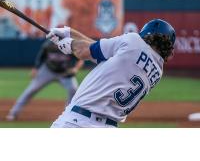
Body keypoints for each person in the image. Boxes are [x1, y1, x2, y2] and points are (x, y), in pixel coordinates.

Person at [46, 19, 176, 128]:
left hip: (77, 122)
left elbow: (83, 51)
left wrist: (68, 43)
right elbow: (99, 49)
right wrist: (70, 33)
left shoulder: (133, 40)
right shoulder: (158, 71)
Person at [6, 40, 84, 121]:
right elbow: (41, 56)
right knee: (31, 90)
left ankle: (67, 115)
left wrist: (75, 69)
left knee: (73, 90)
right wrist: (36, 68)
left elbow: (80, 59)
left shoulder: (69, 45)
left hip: (64, 72)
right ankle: (13, 113)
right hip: (47, 71)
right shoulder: (48, 45)